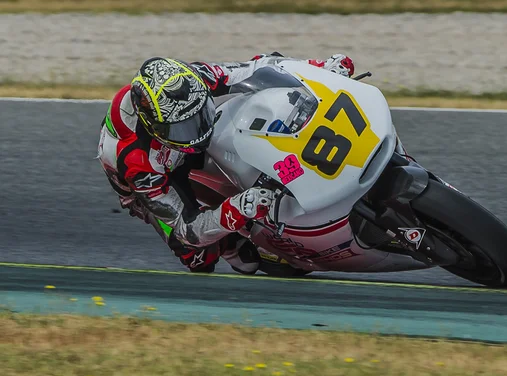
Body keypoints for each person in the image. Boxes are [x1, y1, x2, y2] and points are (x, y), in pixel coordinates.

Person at [96, 52, 355, 274]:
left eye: (198, 116)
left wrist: (319, 68)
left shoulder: (195, 78)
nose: (195, 132)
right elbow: (186, 228)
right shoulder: (137, 163)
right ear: (152, 124)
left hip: (176, 149)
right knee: (200, 258)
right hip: (156, 180)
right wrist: (235, 211)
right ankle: (232, 245)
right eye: (182, 128)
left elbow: (259, 67)